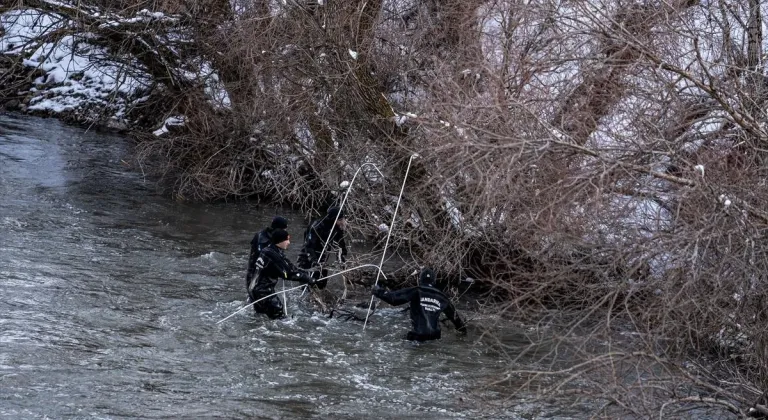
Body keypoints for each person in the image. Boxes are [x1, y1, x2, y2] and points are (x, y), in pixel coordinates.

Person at [371, 268, 466, 341]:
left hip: (417, 336)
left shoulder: (417, 290)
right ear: (433, 281)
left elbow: (394, 299)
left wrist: (378, 291)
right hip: (436, 337)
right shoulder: (443, 298)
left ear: (420, 280)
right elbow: (456, 320)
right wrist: (463, 332)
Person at [247, 229, 316, 319]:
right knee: (279, 316)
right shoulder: (273, 255)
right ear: (280, 241)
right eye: (287, 240)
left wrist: (303, 273)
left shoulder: (269, 250)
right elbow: (288, 274)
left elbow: (289, 266)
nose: (289, 242)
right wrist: (308, 279)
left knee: (261, 316)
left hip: (254, 289)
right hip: (263, 292)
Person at [297, 207, 349, 288]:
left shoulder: (337, 228)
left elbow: (341, 246)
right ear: (334, 219)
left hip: (322, 260)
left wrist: (343, 262)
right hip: (307, 258)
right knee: (307, 286)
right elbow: (308, 246)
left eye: (343, 219)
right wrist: (314, 261)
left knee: (321, 285)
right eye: (340, 219)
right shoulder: (317, 226)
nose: (343, 221)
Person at [245, 216, 288, 291]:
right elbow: (262, 258)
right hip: (255, 274)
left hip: (267, 277)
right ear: (279, 228)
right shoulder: (261, 238)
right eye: (284, 229)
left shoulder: (277, 238)